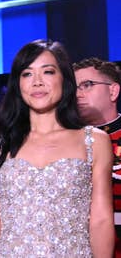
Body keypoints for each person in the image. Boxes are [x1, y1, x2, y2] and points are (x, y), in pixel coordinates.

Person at [0, 39, 115, 257]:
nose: (37, 82)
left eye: (47, 72)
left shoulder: (94, 141)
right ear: (18, 84)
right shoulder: (0, 145)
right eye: (27, 74)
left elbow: (101, 221)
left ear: (64, 79)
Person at [74, 57, 121, 256]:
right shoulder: (66, 144)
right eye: (73, 88)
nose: (77, 94)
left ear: (113, 91)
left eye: (87, 85)